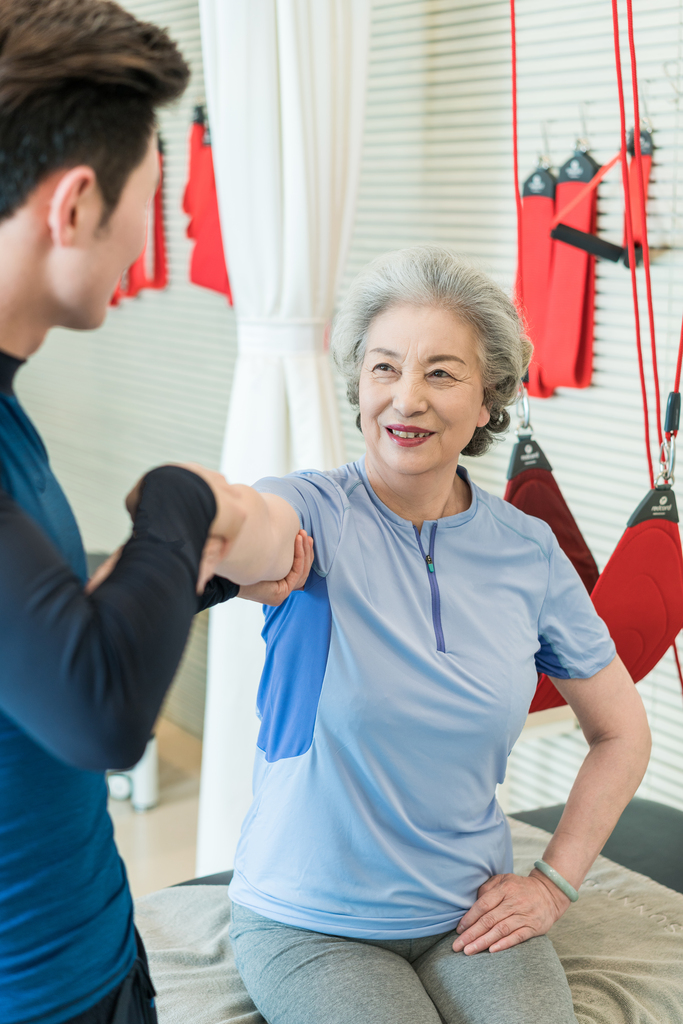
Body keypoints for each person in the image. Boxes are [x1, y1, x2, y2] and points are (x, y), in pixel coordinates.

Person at [208, 245, 652, 1024]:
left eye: (440, 373)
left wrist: (552, 883)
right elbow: (248, 525)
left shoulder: (528, 551)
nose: (404, 398)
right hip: (310, 922)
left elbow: (620, 731)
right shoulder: (310, 510)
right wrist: (213, 535)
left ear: (489, 401)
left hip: (468, 913)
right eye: (383, 368)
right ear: (357, 384)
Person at [0, 3, 312, 1023]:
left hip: (90, 940)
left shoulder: (9, 403)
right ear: (76, 203)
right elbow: (99, 711)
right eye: (153, 195)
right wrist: (184, 495)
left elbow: (51, 639)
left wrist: (205, 570)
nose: (156, 231)